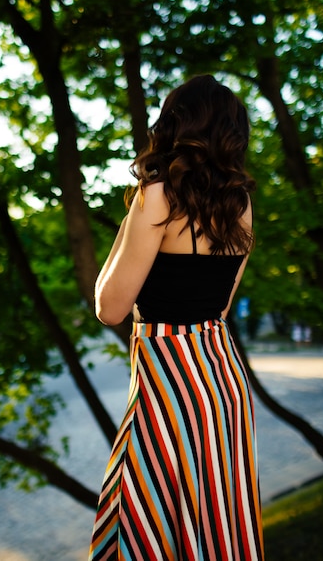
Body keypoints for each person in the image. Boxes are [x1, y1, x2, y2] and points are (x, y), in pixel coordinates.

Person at [88, 74, 264, 561]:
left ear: (174, 124)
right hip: (222, 380)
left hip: (169, 379)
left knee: (146, 521)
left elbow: (110, 308)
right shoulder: (241, 204)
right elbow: (220, 306)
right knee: (215, 522)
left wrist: (128, 225)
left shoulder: (156, 197)